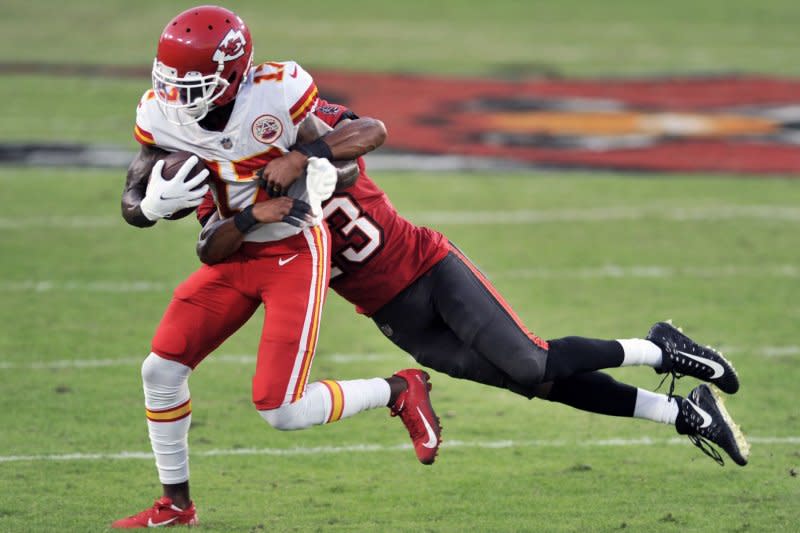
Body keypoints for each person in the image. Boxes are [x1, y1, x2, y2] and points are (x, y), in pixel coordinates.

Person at [197, 97, 751, 472]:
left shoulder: (291, 118)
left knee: (531, 362)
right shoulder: (224, 180)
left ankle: (661, 350)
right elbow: (209, 246)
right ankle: (686, 414)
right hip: (392, 315)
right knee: (534, 383)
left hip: (427, 268)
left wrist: (303, 156)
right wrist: (250, 216)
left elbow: (369, 132)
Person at [113, 6, 441, 529]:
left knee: (281, 410)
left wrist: (305, 158)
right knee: (161, 371)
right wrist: (151, 206)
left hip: (292, 250)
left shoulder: (277, 90)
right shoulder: (159, 113)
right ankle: (175, 506)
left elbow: (355, 149)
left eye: (194, 84)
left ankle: (399, 389)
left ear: (232, 72)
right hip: (230, 249)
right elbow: (132, 201)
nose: (180, 97)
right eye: (172, 82)